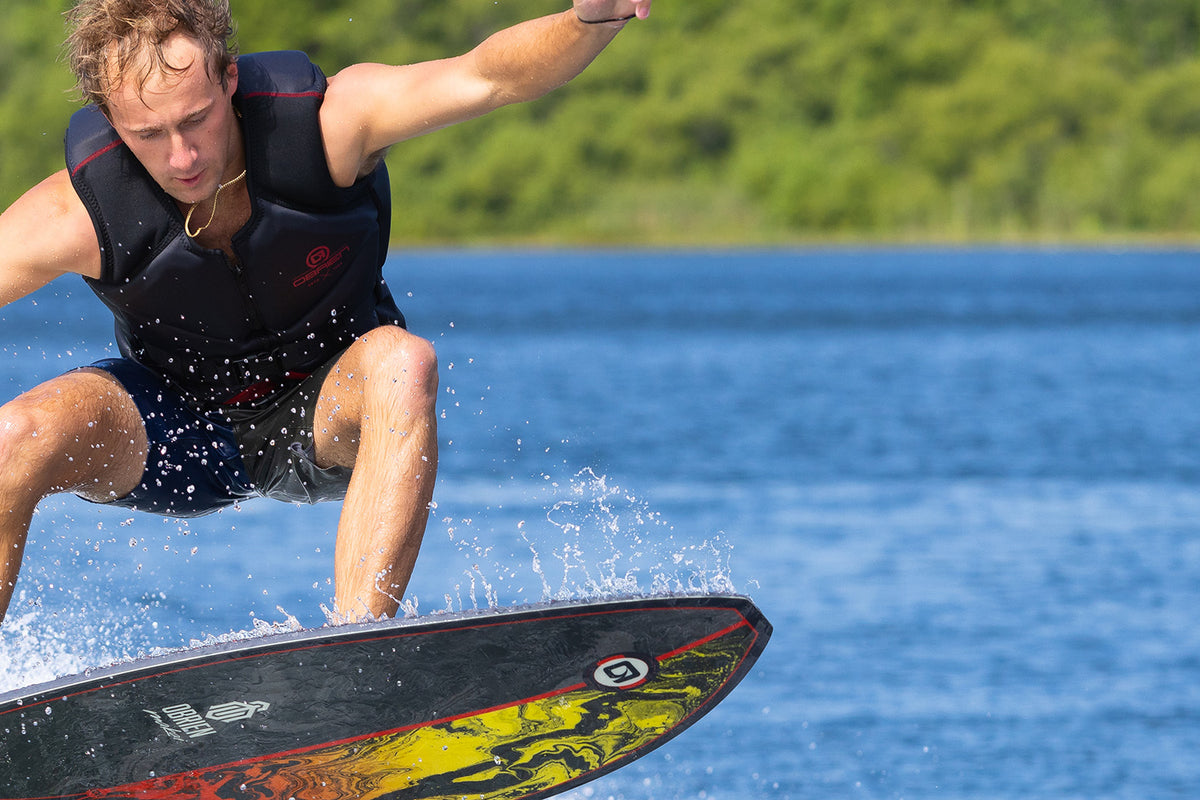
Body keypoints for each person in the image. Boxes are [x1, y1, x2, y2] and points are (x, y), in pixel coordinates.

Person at [0, 0, 650, 625]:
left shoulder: (328, 127)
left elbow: (486, 77)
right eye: (149, 134)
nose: (183, 156)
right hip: (175, 436)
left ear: (229, 79)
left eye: (196, 119)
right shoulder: (74, 216)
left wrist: (589, 20)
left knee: (404, 361)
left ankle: (352, 655)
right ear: (112, 121)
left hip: (325, 412)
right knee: (13, 436)